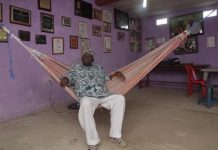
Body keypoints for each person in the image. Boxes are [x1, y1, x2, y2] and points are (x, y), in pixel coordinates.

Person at [60, 48, 127, 150]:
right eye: (85, 56)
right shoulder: (75, 68)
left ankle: (114, 136)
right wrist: (65, 80)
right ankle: (92, 141)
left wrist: (115, 74)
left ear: (93, 59)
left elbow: (106, 77)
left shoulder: (98, 68)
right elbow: (69, 78)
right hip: (87, 96)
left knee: (120, 98)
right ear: (81, 58)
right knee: (85, 104)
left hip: (103, 95)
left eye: (89, 56)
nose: (86, 57)